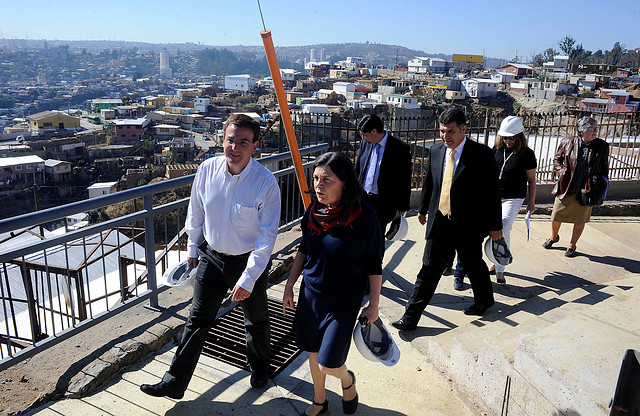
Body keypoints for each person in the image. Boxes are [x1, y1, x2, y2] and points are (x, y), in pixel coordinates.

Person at [140, 113, 281, 399]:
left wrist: (249, 278)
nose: (235, 147)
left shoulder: (266, 183)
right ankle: (174, 382)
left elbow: (267, 238)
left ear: (255, 146)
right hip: (212, 258)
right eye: (231, 140)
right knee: (197, 319)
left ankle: (260, 368)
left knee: (256, 319)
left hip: (249, 260)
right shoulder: (207, 169)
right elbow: (196, 210)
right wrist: (192, 248)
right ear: (223, 140)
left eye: (244, 142)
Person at [283, 152, 383, 416]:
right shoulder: (315, 211)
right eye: (316, 178)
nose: (319, 185)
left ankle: (347, 381)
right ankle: (320, 401)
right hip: (311, 296)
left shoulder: (365, 216)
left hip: (344, 301)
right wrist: (289, 285)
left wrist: (373, 306)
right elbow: (304, 249)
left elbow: (374, 264)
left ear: (345, 183)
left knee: (329, 363)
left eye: (327, 179)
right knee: (313, 353)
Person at [391, 107, 503, 331]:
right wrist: (422, 210)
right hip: (439, 221)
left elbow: (491, 192)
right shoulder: (435, 151)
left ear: (464, 129)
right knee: (428, 269)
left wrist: (495, 226)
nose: (445, 136)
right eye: (442, 131)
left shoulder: (481, 155)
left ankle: (484, 300)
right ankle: (410, 317)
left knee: (473, 263)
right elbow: (430, 183)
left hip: (469, 224)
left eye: (450, 131)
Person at [543, 116, 609, 257]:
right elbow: (557, 159)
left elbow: (604, 167)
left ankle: (572, 245)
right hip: (567, 186)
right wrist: (561, 170)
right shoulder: (567, 142)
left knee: (580, 219)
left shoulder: (602, 146)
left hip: (587, 188)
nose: (596, 131)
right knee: (556, 215)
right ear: (582, 131)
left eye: (596, 128)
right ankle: (554, 237)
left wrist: (601, 184)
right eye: (593, 129)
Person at [491, 116, 537, 283]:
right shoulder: (496, 150)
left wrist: (531, 204)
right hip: (494, 196)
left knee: (503, 227)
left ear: (519, 136)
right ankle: (495, 258)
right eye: (505, 137)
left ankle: (500, 267)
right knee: (492, 228)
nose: (507, 141)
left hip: (514, 197)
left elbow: (532, 180)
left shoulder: (527, 154)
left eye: (511, 137)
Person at [355, 114, 412, 237]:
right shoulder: (366, 143)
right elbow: (358, 168)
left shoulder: (399, 148)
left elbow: (405, 179)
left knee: (377, 238)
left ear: (374, 131)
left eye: (365, 135)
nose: (363, 138)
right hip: (362, 198)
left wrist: (403, 206)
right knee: (359, 235)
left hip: (383, 203)